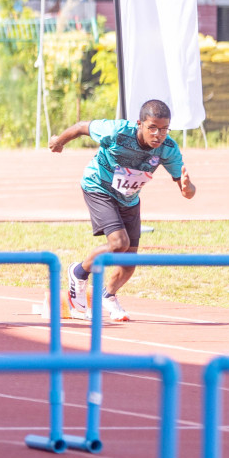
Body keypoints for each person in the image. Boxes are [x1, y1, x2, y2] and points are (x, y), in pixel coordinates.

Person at [49, 99, 194, 322]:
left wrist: (187, 189)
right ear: (140, 124)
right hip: (98, 186)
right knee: (119, 243)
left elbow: (187, 189)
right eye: (152, 128)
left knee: (128, 264)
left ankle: (109, 295)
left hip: (129, 198)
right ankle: (78, 273)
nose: (158, 134)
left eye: (164, 129)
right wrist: (58, 141)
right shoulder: (116, 131)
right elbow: (80, 127)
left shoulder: (168, 148)